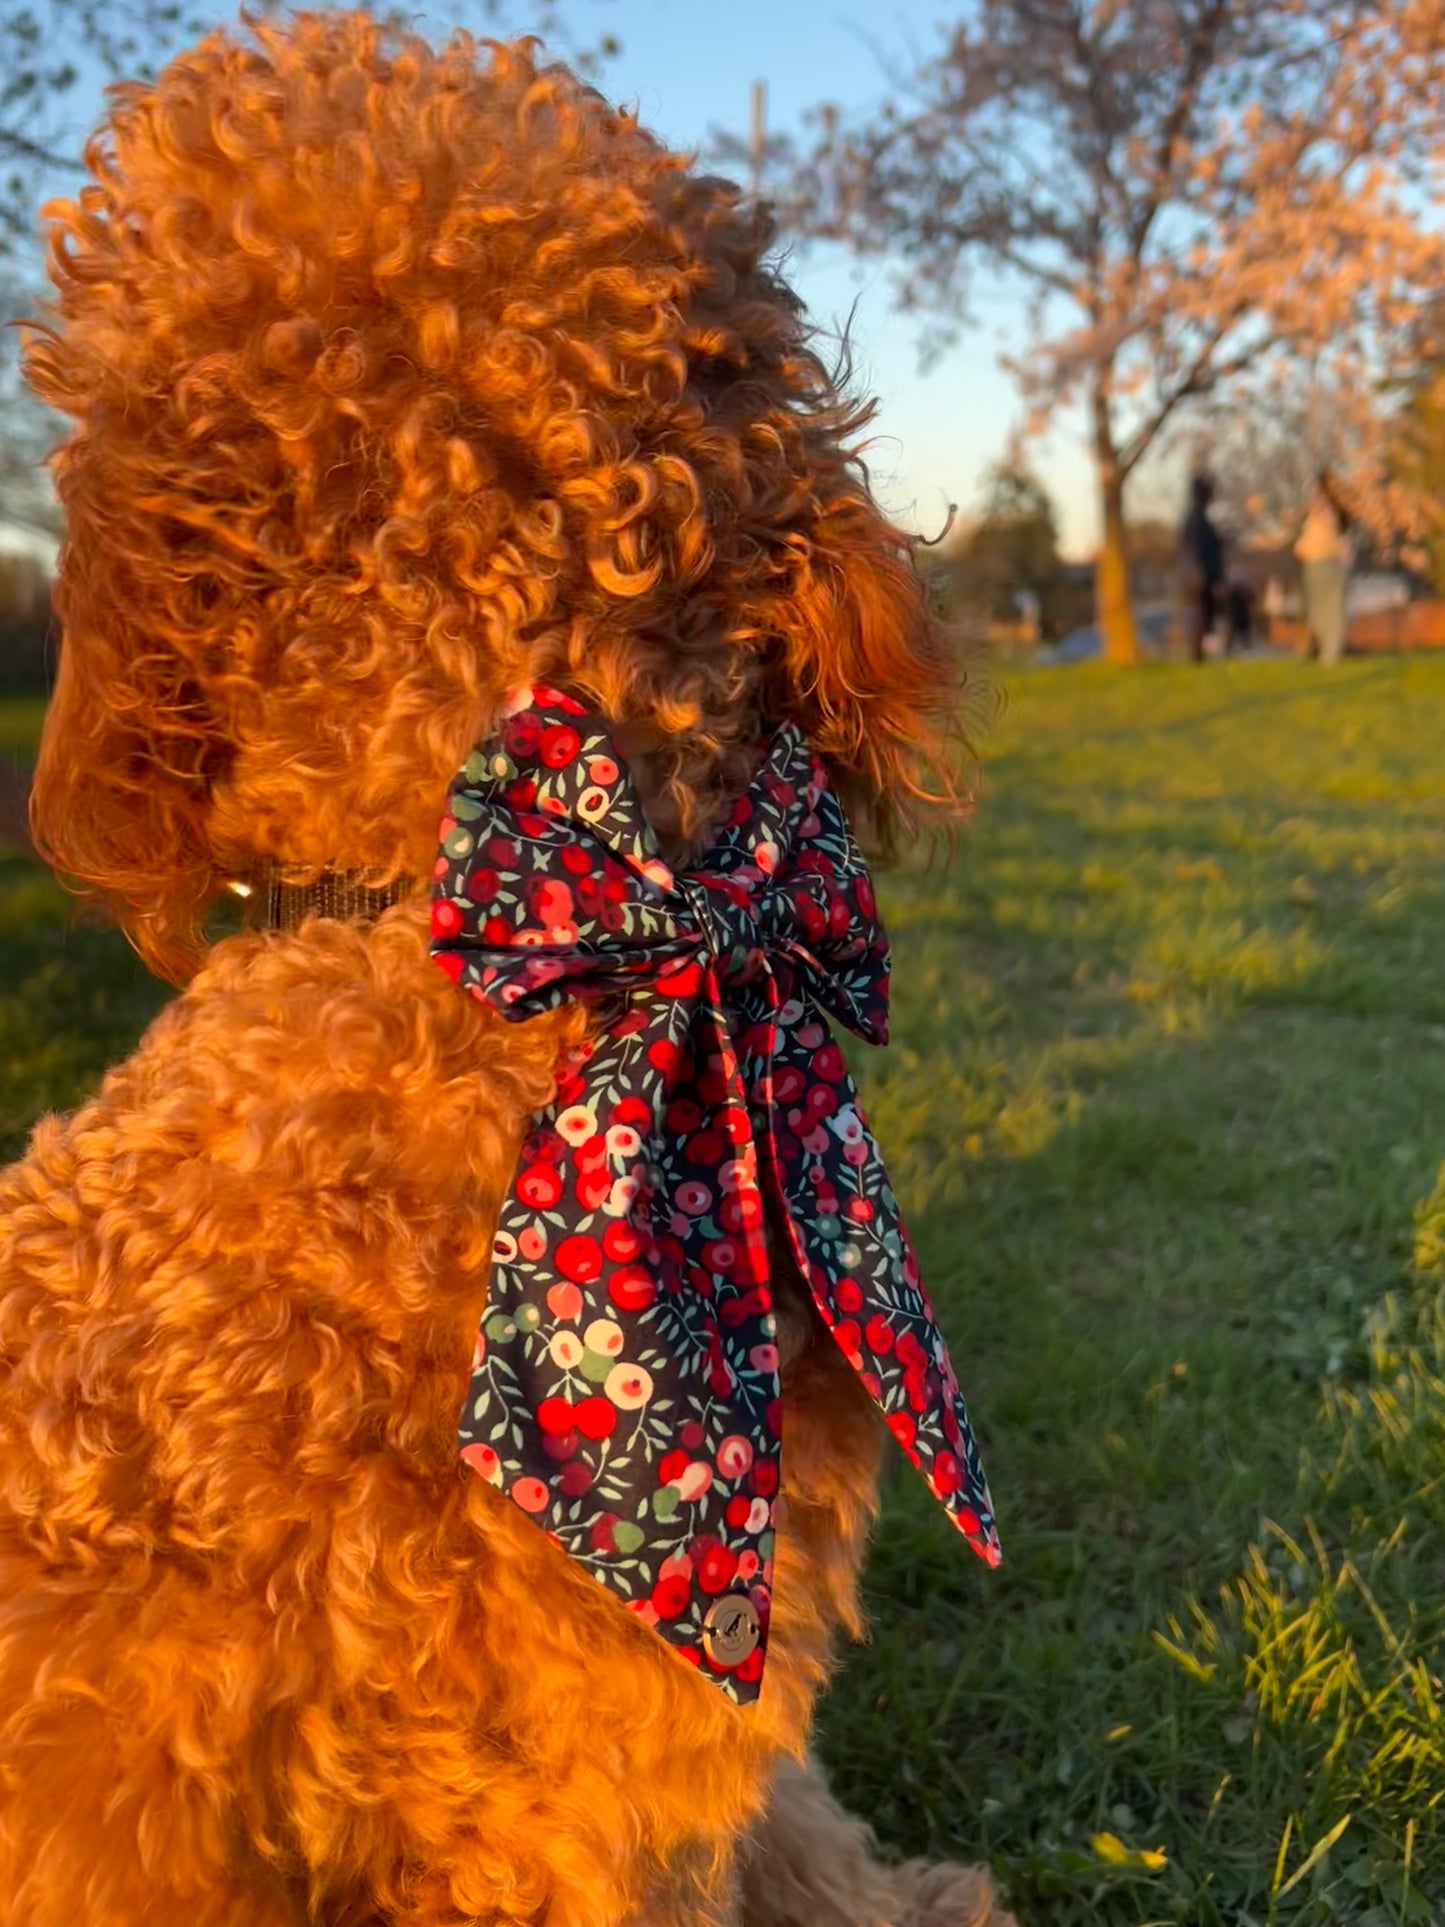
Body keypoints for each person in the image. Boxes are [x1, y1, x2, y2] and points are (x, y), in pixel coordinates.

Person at [1294, 470, 1353, 665]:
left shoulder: (1327, 511)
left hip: (1325, 561)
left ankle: (1330, 654)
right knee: (1324, 610)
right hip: (1320, 562)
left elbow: (1330, 536)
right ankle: (1328, 652)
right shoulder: (1321, 511)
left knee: (1328, 609)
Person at [1180, 472, 1226, 662]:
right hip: (1202, 575)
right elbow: (1198, 549)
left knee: (1204, 614)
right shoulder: (1197, 519)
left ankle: (1199, 653)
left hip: (1204, 574)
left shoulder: (1198, 518)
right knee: (1201, 613)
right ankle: (1197, 654)